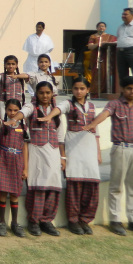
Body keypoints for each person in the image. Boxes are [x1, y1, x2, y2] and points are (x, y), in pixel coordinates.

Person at [82, 76, 133, 236]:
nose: (132, 91)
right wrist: (93, 124)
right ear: (123, 89)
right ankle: (115, 220)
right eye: (129, 88)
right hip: (121, 148)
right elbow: (105, 114)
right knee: (116, 186)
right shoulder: (115, 104)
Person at [37, 78, 101, 235]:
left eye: (82, 88)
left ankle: (84, 220)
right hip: (73, 145)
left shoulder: (92, 107)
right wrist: (49, 116)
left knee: (91, 185)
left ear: (87, 90)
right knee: (75, 185)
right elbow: (58, 109)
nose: (79, 91)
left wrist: (98, 153)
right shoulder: (68, 104)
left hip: (90, 146)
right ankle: (73, 220)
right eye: (76, 88)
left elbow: (96, 131)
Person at [7, 81, 64, 237]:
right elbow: (23, 112)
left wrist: (63, 157)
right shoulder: (32, 107)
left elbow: (60, 136)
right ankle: (34, 221)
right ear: (36, 94)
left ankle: (47, 220)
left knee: (53, 188)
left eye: (48, 93)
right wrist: (15, 119)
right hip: (36, 152)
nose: (45, 95)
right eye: (41, 93)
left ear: (52, 94)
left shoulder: (56, 111)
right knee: (38, 187)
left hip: (54, 152)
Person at [0, 99, 28, 238]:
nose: (12, 113)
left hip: (17, 161)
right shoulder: (3, 125)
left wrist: (25, 168)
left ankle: (14, 222)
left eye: (15, 110)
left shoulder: (24, 127)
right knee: (2, 192)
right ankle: (1, 222)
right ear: (5, 110)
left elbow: (25, 148)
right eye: (9, 110)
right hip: (4, 159)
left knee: (14, 194)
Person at [22, 22, 54, 96]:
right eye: (37, 27)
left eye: (40, 27)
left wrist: (43, 57)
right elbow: (27, 48)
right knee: (31, 76)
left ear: (43, 28)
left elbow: (50, 48)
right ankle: (32, 94)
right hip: (32, 59)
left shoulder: (47, 38)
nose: (38, 29)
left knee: (44, 75)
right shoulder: (30, 37)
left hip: (43, 57)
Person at [87, 21, 117, 96]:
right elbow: (90, 46)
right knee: (96, 74)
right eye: (99, 26)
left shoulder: (111, 37)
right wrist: (99, 44)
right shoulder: (93, 36)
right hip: (96, 58)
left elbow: (116, 43)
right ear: (97, 28)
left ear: (105, 28)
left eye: (103, 26)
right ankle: (95, 92)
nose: (101, 27)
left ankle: (106, 91)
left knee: (106, 73)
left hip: (107, 57)